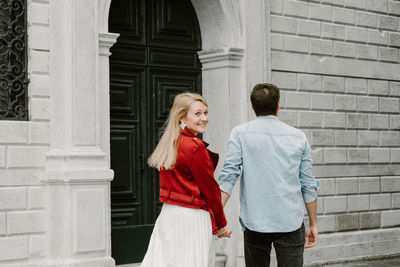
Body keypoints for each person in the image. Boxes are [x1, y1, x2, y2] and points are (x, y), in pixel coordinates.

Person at [218, 83, 319, 267]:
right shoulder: (298, 137)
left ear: (253, 106)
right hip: (290, 221)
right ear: (278, 105)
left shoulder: (239, 134)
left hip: (255, 222)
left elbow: (228, 176)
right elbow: (308, 184)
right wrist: (314, 223)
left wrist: (216, 216)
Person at [141, 92, 231, 267]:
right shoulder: (195, 147)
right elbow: (211, 190)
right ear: (182, 117)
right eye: (197, 114)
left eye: (205, 112)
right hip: (192, 217)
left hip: (169, 214)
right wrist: (221, 224)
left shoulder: (169, 142)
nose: (204, 118)